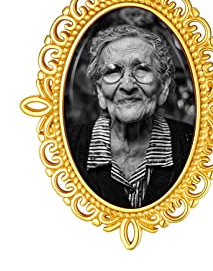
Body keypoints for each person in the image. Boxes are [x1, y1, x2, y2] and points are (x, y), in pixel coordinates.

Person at [68, 24, 194, 209]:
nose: (128, 85)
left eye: (142, 69)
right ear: (100, 92)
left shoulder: (194, 144)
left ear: (163, 88)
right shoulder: (67, 146)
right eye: (112, 71)